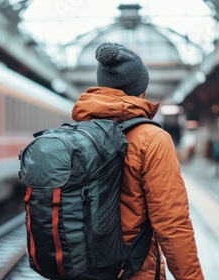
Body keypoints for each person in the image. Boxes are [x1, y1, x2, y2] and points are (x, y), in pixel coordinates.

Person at [71, 42, 204, 280]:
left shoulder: (77, 135)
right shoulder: (152, 139)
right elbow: (172, 225)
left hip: (83, 269)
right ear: (141, 90)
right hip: (133, 271)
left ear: (102, 86)